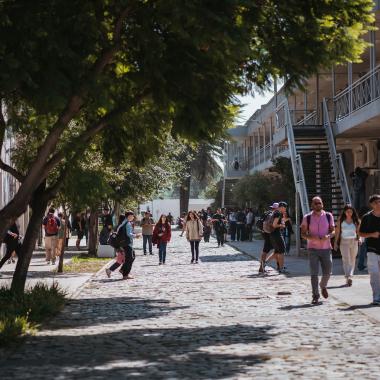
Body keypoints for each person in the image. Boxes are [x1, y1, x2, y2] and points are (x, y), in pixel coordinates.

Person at [301, 196, 335, 305]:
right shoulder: (307, 217)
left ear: (322, 204)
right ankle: (315, 295)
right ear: (312, 205)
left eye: (319, 203)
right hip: (313, 249)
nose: (317, 205)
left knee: (328, 272)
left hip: (326, 248)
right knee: (314, 274)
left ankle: (323, 285)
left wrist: (328, 236)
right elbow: (303, 234)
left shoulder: (329, 216)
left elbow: (333, 231)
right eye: (315, 203)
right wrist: (312, 238)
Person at [359, 194, 380, 305]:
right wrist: (372, 234)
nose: (379, 203)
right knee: (375, 273)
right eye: (376, 202)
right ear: (372, 204)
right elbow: (360, 233)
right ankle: (376, 297)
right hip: (372, 249)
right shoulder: (367, 217)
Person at [334, 205, 361, 287]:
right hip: (344, 242)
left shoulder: (356, 221)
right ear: (344, 212)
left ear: (353, 212)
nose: (349, 213)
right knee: (346, 259)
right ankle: (348, 276)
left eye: (351, 211)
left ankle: (350, 276)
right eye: (347, 211)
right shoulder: (341, 220)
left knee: (352, 259)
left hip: (354, 241)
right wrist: (335, 242)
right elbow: (337, 232)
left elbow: (359, 232)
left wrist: (359, 239)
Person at [258, 203, 278, 273]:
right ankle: (264, 265)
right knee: (278, 250)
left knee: (265, 250)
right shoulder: (275, 214)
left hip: (264, 232)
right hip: (271, 234)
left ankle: (261, 266)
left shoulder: (267, 213)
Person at [120, 211, 140, 279]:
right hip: (127, 243)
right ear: (128, 216)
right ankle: (125, 274)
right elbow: (129, 234)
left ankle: (123, 269)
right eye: (132, 216)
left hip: (124, 243)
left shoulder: (124, 222)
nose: (133, 217)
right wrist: (136, 235)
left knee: (132, 256)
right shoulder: (128, 223)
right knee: (130, 258)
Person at [270, 201, 287, 272]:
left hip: (273, 234)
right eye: (285, 207)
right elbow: (274, 225)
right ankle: (281, 268)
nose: (285, 209)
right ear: (282, 207)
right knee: (282, 252)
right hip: (277, 235)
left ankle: (264, 263)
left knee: (277, 252)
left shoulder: (276, 213)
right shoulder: (278, 213)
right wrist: (281, 225)